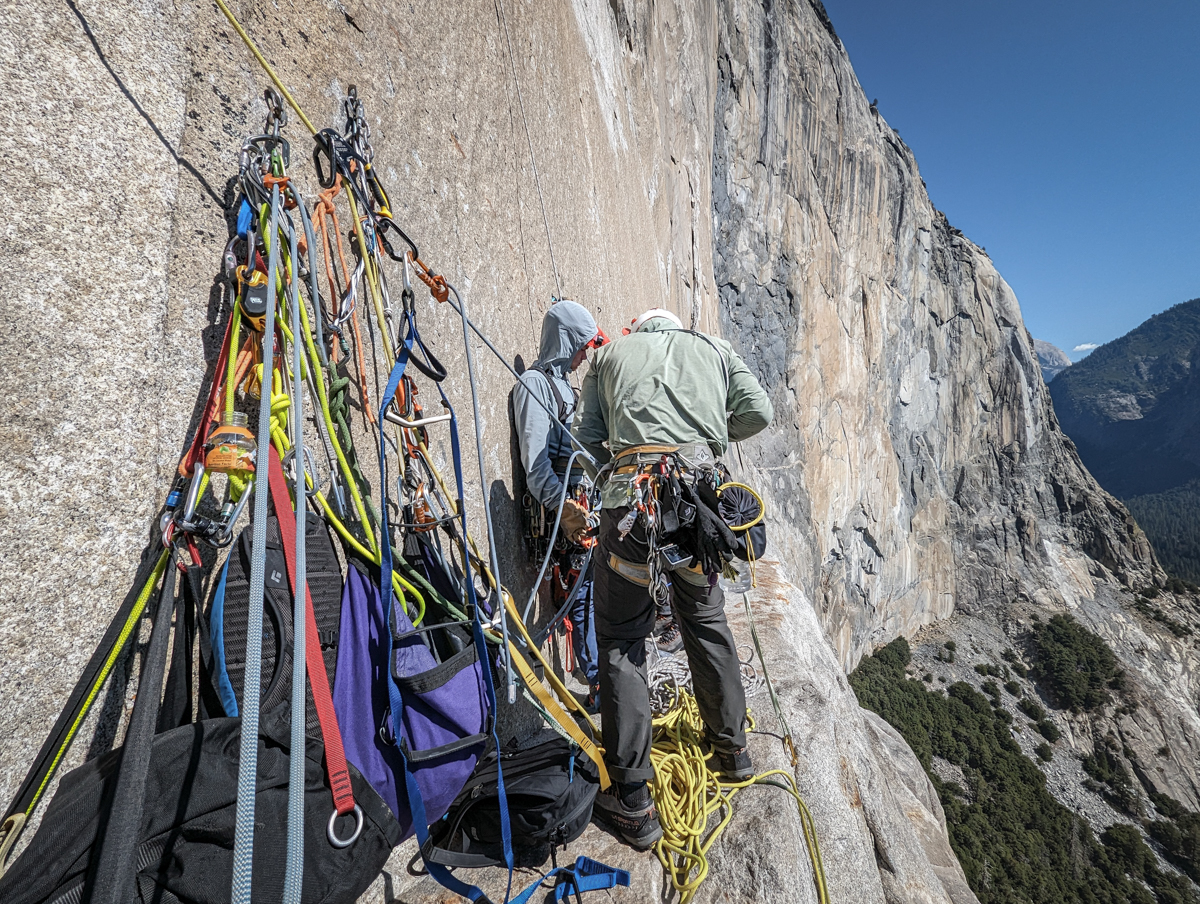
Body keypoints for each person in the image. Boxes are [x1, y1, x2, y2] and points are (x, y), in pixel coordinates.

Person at [572, 307, 773, 849]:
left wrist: (616, 469)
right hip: (697, 507)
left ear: (637, 329)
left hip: (631, 505)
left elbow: (585, 438)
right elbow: (760, 411)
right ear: (675, 327)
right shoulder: (713, 348)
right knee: (705, 620)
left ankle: (633, 800)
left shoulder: (610, 356)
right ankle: (732, 752)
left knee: (620, 637)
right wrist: (707, 438)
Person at [511, 299, 610, 707]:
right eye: (582, 346)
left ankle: (599, 675)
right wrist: (564, 510)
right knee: (580, 591)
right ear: (566, 340)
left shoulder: (562, 389)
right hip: (557, 512)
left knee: (590, 587)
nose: (584, 355)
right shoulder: (534, 386)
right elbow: (535, 465)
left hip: (577, 503)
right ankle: (594, 679)